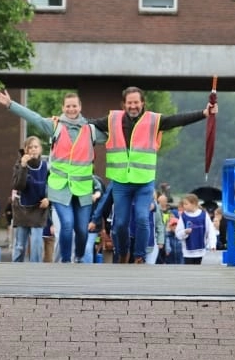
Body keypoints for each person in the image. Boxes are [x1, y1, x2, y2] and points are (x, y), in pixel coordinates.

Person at [90, 86, 217, 263]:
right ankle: (123, 252)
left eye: (136, 102)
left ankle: (139, 256)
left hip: (144, 181)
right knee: (120, 224)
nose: (133, 106)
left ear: (142, 103)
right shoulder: (113, 119)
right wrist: (65, 122)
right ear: (124, 104)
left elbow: (177, 120)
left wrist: (204, 113)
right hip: (120, 181)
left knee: (142, 217)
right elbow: (90, 123)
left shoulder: (153, 120)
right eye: (129, 103)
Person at [0, 89, 106, 263]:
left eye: (74, 106)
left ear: (80, 107)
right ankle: (67, 261)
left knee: (82, 230)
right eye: (68, 106)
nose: (71, 109)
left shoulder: (91, 130)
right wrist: (10, 104)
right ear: (63, 107)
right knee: (67, 225)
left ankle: (80, 255)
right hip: (60, 186)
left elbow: (115, 135)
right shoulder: (55, 126)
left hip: (82, 188)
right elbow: (34, 118)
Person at [11, 136, 50, 262]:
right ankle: (16, 269)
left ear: (40, 149)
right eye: (30, 147)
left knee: (37, 244)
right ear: (26, 150)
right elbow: (18, 186)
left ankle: (35, 271)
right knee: (20, 246)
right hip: (22, 209)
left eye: (36, 147)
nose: (33, 149)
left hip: (39, 209)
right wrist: (23, 166)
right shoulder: (19, 165)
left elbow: (53, 184)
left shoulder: (46, 166)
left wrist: (49, 198)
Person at [174, 193, 217, 264]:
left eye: (186, 204)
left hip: (201, 250)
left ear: (193, 204)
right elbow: (178, 233)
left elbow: (210, 231)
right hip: (187, 251)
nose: (184, 206)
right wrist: (185, 232)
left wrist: (212, 244)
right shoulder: (183, 216)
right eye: (183, 204)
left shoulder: (204, 215)